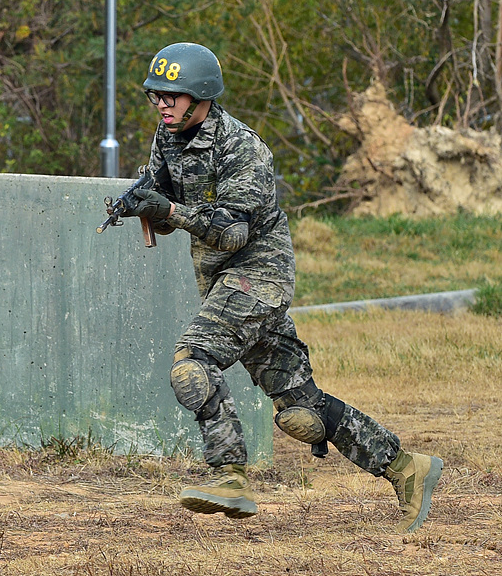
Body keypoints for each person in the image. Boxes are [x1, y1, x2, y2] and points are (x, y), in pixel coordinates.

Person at [118, 42, 443, 532]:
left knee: (193, 362)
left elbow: (232, 231)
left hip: (259, 278)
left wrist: (168, 212)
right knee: (301, 413)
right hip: (224, 281)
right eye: (156, 96)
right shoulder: (168, 140)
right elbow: (170, 211)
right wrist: (146, 205)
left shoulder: (243, 149)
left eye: (173, 96)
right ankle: (407, 468)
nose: (162, 104)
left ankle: (228, 475)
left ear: (201, 96)